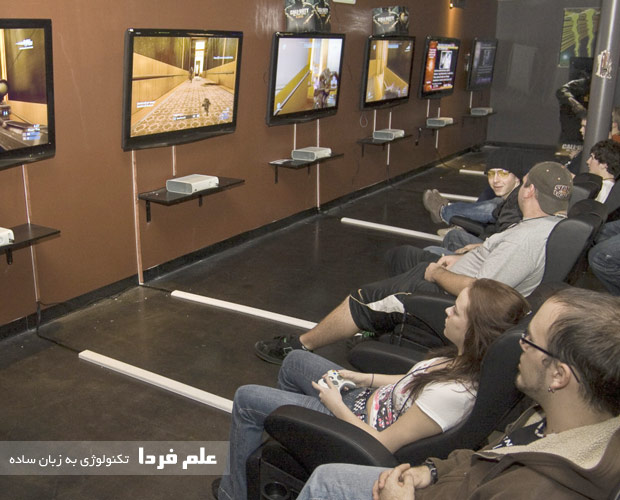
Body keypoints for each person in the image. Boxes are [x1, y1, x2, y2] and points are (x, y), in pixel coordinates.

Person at [295, 286, 620, 500]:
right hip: (441, 482)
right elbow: (486, 457)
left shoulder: (536, 490)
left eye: (530, 341)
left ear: (559, 375)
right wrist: (431, 470)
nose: (518, 346)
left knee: (327, 480)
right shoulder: (542, 418)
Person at [215, 280, 531, 500]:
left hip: (355, 423)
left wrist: (335, 403)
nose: (448, 311)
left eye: (457, 311)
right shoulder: (460, 361)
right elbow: (410, 381)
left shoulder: (452, 395)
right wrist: (362, 378)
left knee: (246, 399)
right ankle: (290, 454)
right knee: (295, 361)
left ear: (475, 331)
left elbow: (380, 443)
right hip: (362, 400)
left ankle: (234, 493)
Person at [255, 162, 572, 365]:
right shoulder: (550, 225)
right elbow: (496, 260)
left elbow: (480, 289)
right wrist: (465, 255)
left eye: (523, 182)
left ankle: (301, 345)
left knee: (366, 297)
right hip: (458, 275)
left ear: (529, 191)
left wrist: (437, 272)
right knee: (401, 257)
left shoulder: (523, 241)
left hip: (453, 294)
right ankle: (385, 324)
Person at [422, 148, 524, 227]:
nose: (495, 180)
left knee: (492, 208)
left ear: (517, 177)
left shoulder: (517, 206)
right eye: (491, 174)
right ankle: (452, 213)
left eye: (503, 173)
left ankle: (442, 212)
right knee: (495, 202)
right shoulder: (516, 195)